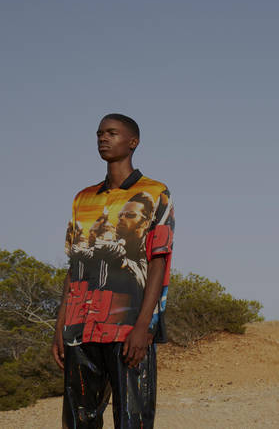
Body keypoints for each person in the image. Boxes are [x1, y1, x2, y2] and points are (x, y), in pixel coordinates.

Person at [52, 113, 175, 428]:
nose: (103, 138)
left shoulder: (156, 193)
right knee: (79, 420)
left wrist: (145, 326)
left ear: (132, 142)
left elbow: (159, 262)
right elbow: (75, 265)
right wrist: (61, 324)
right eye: (99, 134)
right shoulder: (83, 198)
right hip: (80, 328)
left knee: (132, 418)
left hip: (128, 327)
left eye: (111, 133)